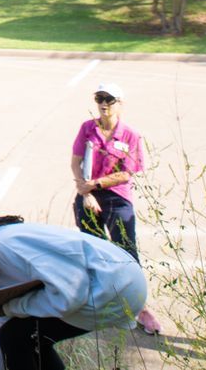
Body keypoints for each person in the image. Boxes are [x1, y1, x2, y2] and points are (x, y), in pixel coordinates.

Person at [0, 207, 146, 370]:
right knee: (21, 336)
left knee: (16, 336)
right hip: (112, 285)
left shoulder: (8, 243)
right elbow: (1, 324)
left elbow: (71, 293)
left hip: (116, 287)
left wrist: (16, 307)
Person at [69, 81, 161, 335]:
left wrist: (95, 184)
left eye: (109, 100)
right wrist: (84, 191)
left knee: (127, 252)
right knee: (92, 250)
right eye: (100, 99)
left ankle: (139, 306)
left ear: (120, 105)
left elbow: (126, 172)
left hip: (116, 197)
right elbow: (76, 162)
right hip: (88, 196)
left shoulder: (129, 134)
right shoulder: (87, 128)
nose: (104, 105)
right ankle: (97, 304)